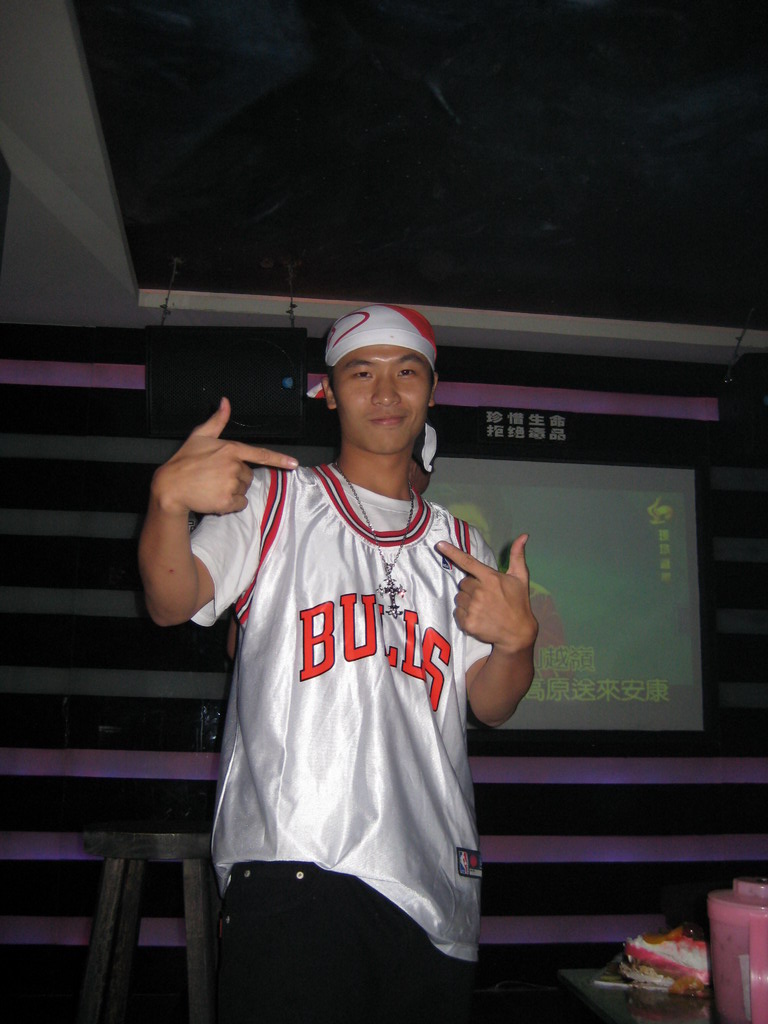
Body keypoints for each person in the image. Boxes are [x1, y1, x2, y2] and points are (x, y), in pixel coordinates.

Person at [138, 304, 538, 1024]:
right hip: (296, 864)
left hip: (435, 883)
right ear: (328, 391)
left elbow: (491, 704)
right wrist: (167, 503)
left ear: (433, 389)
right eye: (361, 373)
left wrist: (517, 644)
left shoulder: (461, 544)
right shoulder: (273, 501)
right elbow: (172, 601)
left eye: (406, 372)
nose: (385, 392)